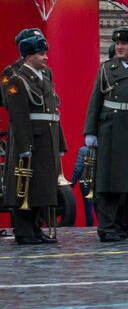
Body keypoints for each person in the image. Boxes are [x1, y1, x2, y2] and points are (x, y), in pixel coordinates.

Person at [84, 26, 128, 242]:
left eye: (124, 44)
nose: (119, 47)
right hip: (110, 129)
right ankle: (108, 227)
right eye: (118, 43)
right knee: (107, 183)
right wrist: (90, 131)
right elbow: (96, 101)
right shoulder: (107, 68)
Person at [2, 30, 65, 244]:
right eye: (40, 54)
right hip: (30, 140)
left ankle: (36, 229)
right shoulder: (17, 79)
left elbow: (53, 112)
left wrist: (61, 142)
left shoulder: (44, 76)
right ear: (28, 56)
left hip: (46, 140)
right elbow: (18, 116)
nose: (45, 58)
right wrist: (24, 145)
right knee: (25, 186)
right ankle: (24, 231)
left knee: (41, 188)